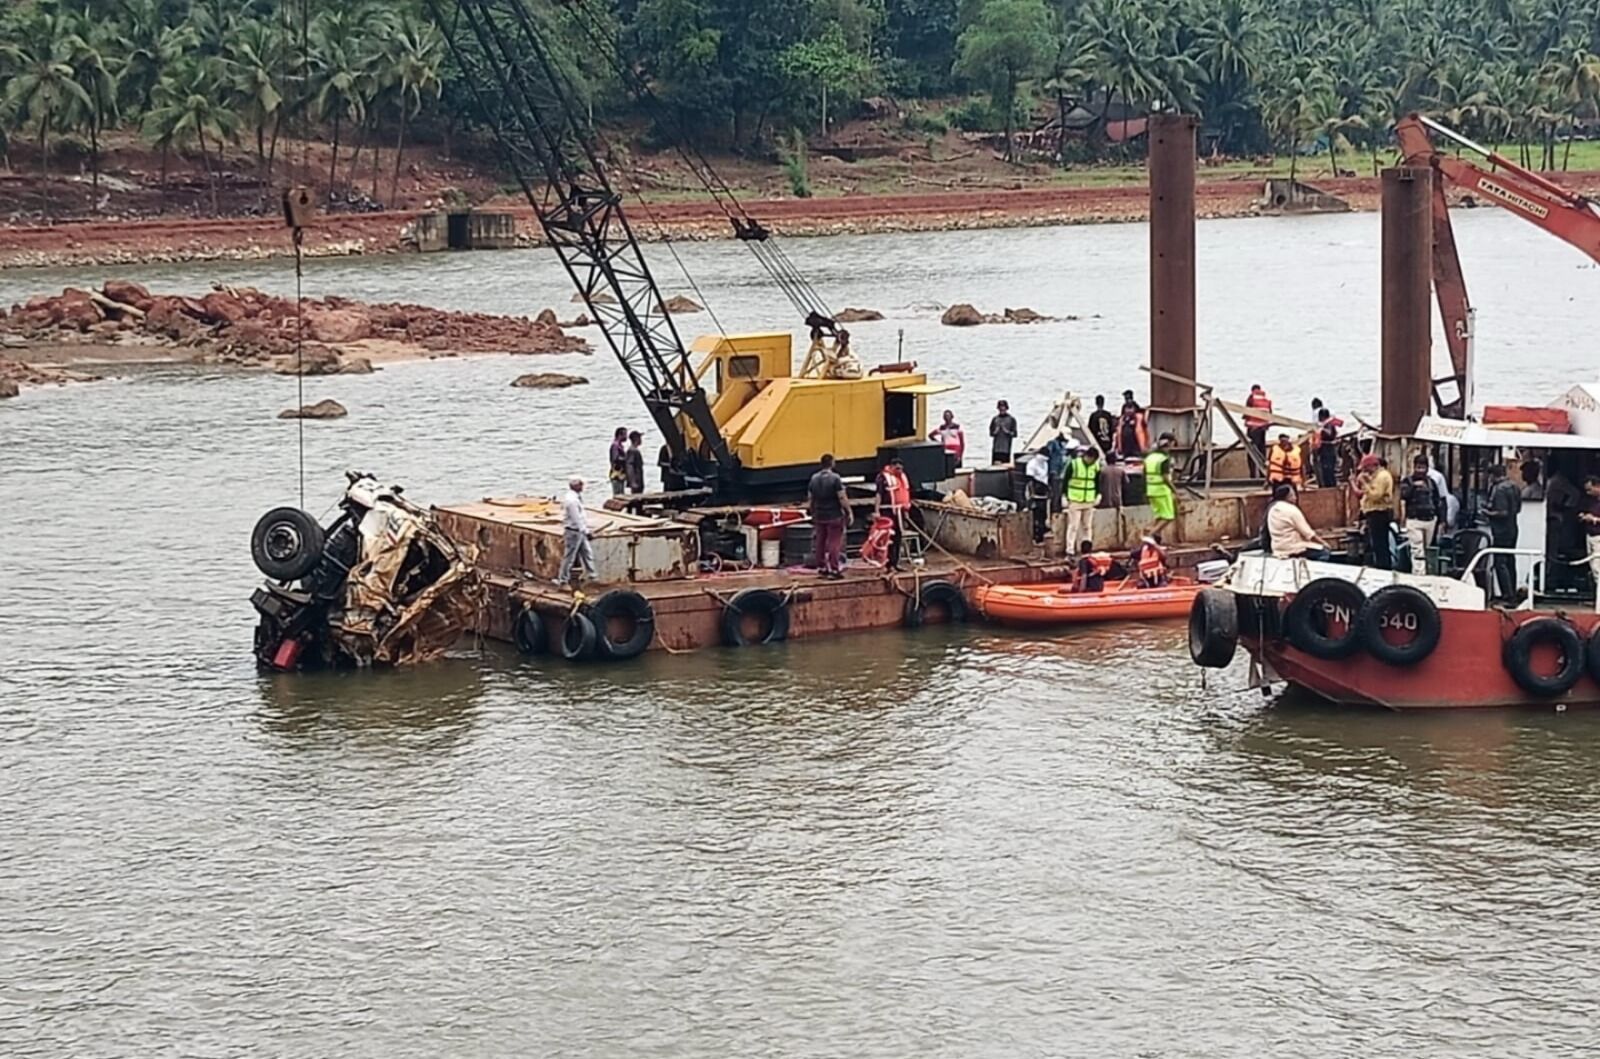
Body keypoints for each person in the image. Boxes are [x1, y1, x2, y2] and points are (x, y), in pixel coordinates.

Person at [807, 453, 852, 579]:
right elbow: (842, 497)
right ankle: (834, 569)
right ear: (832, 463)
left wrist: (812, 512)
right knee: (834, 542)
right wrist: (848, 511)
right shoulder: (835, 478)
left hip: (820, 515)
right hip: (834, 515)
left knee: (820, 541)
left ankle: (821, 567)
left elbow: (810, 499)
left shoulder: (814, 478)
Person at [1485, 463, 1522, 602]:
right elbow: (1517, 509)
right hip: (1513, 527)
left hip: (1501, 530)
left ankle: (1507, 594)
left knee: (1500, 562)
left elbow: (1502, 512)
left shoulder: (1499, 489)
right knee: (1510, 560)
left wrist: (1488, 512)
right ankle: (1512, 589)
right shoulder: (1515, 486)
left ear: (1493, 475)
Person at [1266, 482, 1333, 560]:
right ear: (1287, 497)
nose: (1295, 497)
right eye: (1293, 495)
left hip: (1277, 547)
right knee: (1324, 552)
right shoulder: (1291, 510)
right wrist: (1324, 543)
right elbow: (1309, 534)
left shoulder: (1272, 509)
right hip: (1292, 547)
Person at [1399, 455, 1442, 575]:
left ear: (1427, 468)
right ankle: (1419, 574)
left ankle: (1427, 573)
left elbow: (1437, 500)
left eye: (1423, 468)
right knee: (1417, 549)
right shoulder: (1407, 481)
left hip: (1430, 520)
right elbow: (1403, 496)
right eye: (1418, 467)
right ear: (1414, 467)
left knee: (1427, 548)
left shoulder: (1432, 482)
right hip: (1414, 520)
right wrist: (1413, 487)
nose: (1420, 471)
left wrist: (1441, 520)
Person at [1545, 463, 1582, 590]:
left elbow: (1575, 494)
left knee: (1553, 551)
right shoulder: (1551, 480)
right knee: (1549, 550)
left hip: (1555, 519)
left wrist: (1564, 507)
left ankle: (1551, 581)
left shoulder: (1558, 480)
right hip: (1548, 519)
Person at [1356, 453, 1396, 570]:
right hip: (1374, 513)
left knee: (1380, 544)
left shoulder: (1382, 476)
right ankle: (1381, 565)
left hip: (1379, 512)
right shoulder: (1376, 476)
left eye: (1366, 468)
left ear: (1373, 466)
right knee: (1377, 543)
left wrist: (1364, 483)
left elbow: (1376, 495)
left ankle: (1383, 567)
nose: (1365, 471)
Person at [874, 453, 912, 569]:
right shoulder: (883, 478)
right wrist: (876, 511)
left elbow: (905, 494)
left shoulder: (903, 478)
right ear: (891, 466)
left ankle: (895, 562)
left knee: (898, 537)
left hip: (899, 512)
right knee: (888, 538)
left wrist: (906, 512)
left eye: (901, 467)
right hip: (887, 511)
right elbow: (879, 495)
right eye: (896, 467)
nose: (899, 469)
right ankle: (887, 563)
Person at [557, 476, 596, 588]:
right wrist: (586, 531)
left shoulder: (574, 498)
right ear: (576, 486)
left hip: (579, 531)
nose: (583, 487)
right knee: (569, 557)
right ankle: (563, 580)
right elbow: (576, 518)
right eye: (581, 485)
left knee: (587, 553)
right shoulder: (572, 501)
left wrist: (585, 530)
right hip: (574, 532)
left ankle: (592, 575)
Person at [1065, 446, 1101, 550]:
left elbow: (1097, 482)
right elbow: (1065, 481)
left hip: (1089, 500)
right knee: (1073, 526)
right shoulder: (1074, 464)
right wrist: (1064, 495)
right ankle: (1070, 549)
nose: (1092, 462)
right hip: (1075, 500)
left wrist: (1098, 494)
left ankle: (1087, 546)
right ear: (1087, 456)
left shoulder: (1096, 466)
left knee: (1087, 526)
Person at [1144, 432, 1178, 538]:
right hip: (1162, 491)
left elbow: (1144, 474)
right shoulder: (1164, 459)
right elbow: (1165, 478)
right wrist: (1174, 490)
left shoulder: (1149, 457)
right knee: (1169, 516)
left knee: (1159, 517)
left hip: (1150, 490)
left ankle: (1152, 536)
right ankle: (1150, 534)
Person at [1026, 448, 1052, 545]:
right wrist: (1032, 494)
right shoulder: (1032, 464)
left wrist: (1047, 489)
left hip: (1043, 492)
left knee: (1043, 515)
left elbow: (1045, 477)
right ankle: (1035, 536)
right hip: (1035, 493)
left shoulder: (1045, 464)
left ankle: (1041, 534)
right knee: (1035, 515)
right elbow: (1029, 480)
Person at [1244, 383, 1273, 471]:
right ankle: (1262, 472)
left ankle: (1253, 474)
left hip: (1253, 429)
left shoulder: (1251, 398)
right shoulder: (1266, 400)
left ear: (1252, 390)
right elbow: (1270, 414)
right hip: (1263, 429)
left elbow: (1246, 412)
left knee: (1252, 451)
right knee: (1261, 450)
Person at [1581, 476, 1600, 603]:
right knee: (1593, 569)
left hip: (1599, 537)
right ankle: (1596, 598)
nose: (1588, 493)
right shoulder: (1593, 501)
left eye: (1589, 489)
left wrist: (1593, 519)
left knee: (1598, 569)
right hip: (1590, 536)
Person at [1314, 408, 1343, 488]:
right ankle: (1331, 486)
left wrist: (1322, 431)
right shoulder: (1329, 424)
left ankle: (1330, 488)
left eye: (1320, 416)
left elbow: (1329, 435)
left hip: (1327, 450)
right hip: (1329, 450)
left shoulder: (1328, 425)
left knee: (1327, 471)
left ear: (1323, 416)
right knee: (1328, 471)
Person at [1043, 432, 1069, 514]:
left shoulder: (1063, 446)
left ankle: (1057, 509)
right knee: (1055, 493)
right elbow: (1048, 453)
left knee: (1060, 493)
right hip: (1054, 471)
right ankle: (1055, 511)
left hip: (1061, 472)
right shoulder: (1052, 444)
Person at [1116, 392, 1148, 459]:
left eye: (1130, 408)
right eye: (1127, 408)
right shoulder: (1122, 419)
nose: (1129, 410)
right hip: (1126, 449)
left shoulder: (1138, 418)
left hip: (1136, 448)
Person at [988, 400, 1018, 466]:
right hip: (996, 449)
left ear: (1006, 408)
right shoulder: (995, 419)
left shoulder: (1011, 419)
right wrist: (995, 432)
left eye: (1003, 407)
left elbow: (1015, 434)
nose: (1002, 409)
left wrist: (1007, 432)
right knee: (995, 465)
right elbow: (991, 433)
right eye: (1000, 407)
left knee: (1005, 465)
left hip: (1006, 449)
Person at [607, 427, 628, 496]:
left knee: (621, 493)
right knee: (618, 495)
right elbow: (615, 458)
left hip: (620, 474)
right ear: (620, 435)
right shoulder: (615, 446)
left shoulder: (619, 445)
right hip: (616, 474)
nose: (626, 437)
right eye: (625, 434)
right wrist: (626, 459)